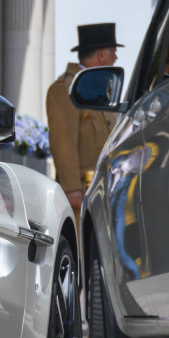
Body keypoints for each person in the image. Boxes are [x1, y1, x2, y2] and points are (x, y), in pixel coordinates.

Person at [46, 22, 122, 215]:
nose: (116, 58)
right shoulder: (66, 88)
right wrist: (72, 187)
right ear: (101, 55)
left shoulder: (100, 88)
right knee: (82, 244)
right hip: (83, 190)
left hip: (105, 187)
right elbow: (63, 141)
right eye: (113, 52)